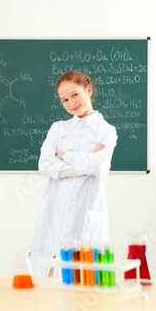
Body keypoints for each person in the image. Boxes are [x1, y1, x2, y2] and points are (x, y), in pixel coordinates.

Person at [30, 70, 117, 277]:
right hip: (55, 210)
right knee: (47, 282)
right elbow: (45, 165)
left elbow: (98, 166)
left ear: (88, 89)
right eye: (65, 99)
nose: (71, 103)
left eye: (75, 95)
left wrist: (65, 156)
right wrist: (85, 158)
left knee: (82, 283)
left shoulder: (106, 131)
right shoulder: (58, 128)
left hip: (85, 216)